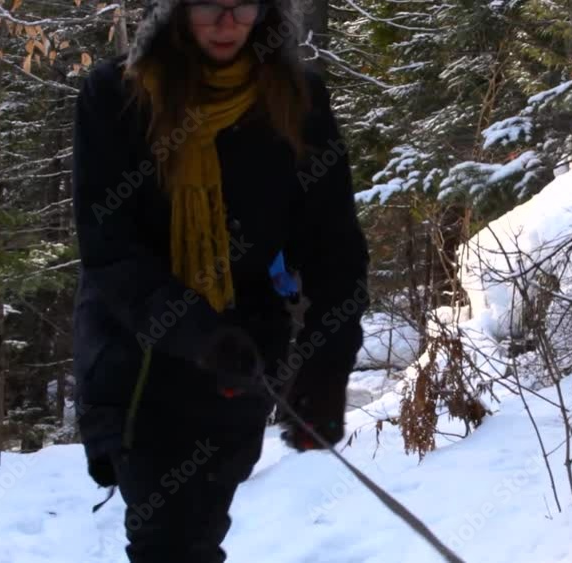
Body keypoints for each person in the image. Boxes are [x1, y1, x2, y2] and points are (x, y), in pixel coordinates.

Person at [70, 0, 369, 560]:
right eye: (209, 4)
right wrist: (198, 333)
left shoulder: (296, 99)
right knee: (167, 540)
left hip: (244, 358)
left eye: (243, 5)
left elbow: (334, 247)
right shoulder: (117, 95)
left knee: (200, 532)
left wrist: (327, 365)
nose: (228, 22)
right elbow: (109, 249)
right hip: (136, 356)